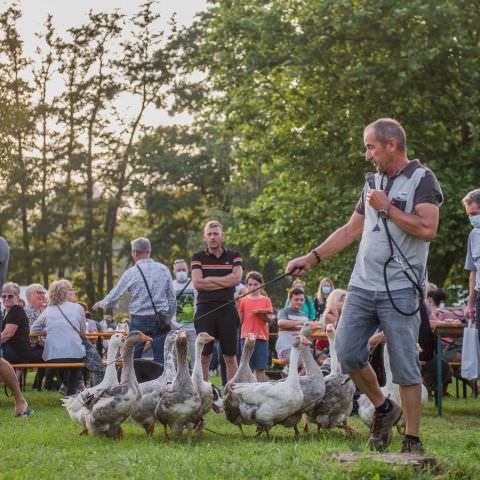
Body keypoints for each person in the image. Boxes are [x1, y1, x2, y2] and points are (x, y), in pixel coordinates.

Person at [287, 118, 443, 454]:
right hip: (361, 286)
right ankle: (384, 408)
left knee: (404, 365)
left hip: (401, 288)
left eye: (371, 146)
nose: (367, 154)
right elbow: (350, 230)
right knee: (347, 351)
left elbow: (428, 228)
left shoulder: (422, 179)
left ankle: (412, 439)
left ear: (391, 144)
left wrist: (387, 207)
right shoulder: (371, 182)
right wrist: (311, 258)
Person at [93, 237, 176, 366]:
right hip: (160, 319)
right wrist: (168, 317)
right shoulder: (163, 269)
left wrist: (102, 303)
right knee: (162, 358)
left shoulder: (131, 273)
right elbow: (171, 298)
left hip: (139, 320)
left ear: (135, 253)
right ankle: (162, 384)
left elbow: (115, 295)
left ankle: (132, 383)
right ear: (149, 251)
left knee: (132, 359)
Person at [191, 220, 243, 382]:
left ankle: (231, 396)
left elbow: (236, 279)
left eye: (216, 234)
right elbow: (197, 283)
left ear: (222, 236)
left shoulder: (234, 256)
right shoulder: (198, 257)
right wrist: (225, 280)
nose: (212, 237)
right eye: (209, 234)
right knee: (205, 357)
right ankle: (205, 395)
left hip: (227, 309)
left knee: (230, 356)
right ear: (204, 237)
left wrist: (210, 280)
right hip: (205, 310)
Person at [31, 279, 86, 396]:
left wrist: (49, 329)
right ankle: (70, 391)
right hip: (75, 355)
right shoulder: (78, 308)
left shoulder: (48, 310)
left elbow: (33, 329)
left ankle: (67, 388)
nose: (72, 291)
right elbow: (82, 332)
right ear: (65, 293)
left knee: (61, 360)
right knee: (74, 361)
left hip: (53, 356)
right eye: (70, 289)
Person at [238, 271, 274, 381]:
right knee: (246, 367)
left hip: (261, 337)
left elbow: (269, 319)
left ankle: (260, 391)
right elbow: (240, 320)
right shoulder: (243, 300)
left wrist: (262, 314)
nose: (253, 287)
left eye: (255, 284)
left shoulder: (266, 300)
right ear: (246, 285)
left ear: (261, 285)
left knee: (260, 368)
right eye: (250, 284)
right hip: (246, 337)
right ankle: (248, 390)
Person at [1, 282, 43, 365]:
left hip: (17, 353)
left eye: (10, 296)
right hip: (10, 350)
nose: (6, 298)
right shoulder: (6, 311)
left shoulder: (16, 310)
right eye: (4, 296)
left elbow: (7, 334)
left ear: (17, 298)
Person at [171, 258, 197, 364]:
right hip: (176, 328)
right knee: (175, 359)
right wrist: (171, 325)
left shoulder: (195, 284)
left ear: (188, 270)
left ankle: (196, 380)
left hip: (193, 328)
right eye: (178, 270)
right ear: (174, 272)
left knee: (195, 359)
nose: (181, 272)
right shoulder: (170, 286)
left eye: (183, 269)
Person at [275, 288, 311, 361]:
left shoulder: (304, 315)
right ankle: (288, 370)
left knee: (314, 359)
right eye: (296, 299)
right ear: (290, 299)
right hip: (285, 349)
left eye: (302, 300)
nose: (299, 302)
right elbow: (281, 323)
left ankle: (289, 371)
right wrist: (300, 322)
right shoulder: (284, 311)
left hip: (300, 349)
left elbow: (307, 330)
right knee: (301, 360)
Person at [24, 283, 48, 391]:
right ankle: (42, 386)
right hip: (30, 347)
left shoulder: (46, 310)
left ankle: (40, 386)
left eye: (43, 292)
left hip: (43, 345)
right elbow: (32, 332)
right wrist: (46, 344)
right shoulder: (26, 311)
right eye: (39, 292)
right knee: (50, 356)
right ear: (30, 296)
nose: (42, 295)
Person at [463, 189, 480, 329]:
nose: (471, 218)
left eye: (474, 214)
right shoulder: (474, 235)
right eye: (469, 215)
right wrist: (470, 305)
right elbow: (473, 272)